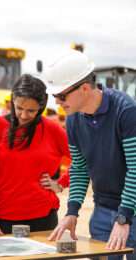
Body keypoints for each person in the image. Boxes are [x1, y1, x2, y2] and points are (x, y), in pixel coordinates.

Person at [46, 50, 136, 260]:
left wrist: (124, 217)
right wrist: (72, 211)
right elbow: (79, 167)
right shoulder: (73, 120)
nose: (57, 102)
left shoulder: (126, 111)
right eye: (54, 96)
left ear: (84, 88)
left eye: (61, 95)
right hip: (103, 212)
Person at [0, 74, 70, 237]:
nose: (23, 115)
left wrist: (60, 183)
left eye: (31, 111)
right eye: (19, 108)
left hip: (44, 219)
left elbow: (82, 160)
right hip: (2, 220)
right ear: (12, 101)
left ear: (41, 108)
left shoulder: (52, 129)